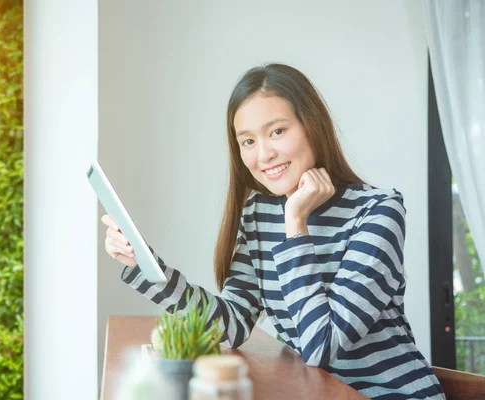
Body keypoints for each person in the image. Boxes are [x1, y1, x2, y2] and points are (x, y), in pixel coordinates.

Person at [102, 63, 444, 399]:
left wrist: (295, 222)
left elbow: (322, 345)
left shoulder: (377, 211)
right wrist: (146, 267)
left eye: (277, 131)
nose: (263, 154)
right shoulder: (260, 214)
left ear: (312, 126)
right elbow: (231, 325)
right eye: (247, 141)